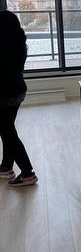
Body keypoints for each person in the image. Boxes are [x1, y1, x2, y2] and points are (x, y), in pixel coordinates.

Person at [0, 10, 38, 186]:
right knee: (8, 130)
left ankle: (27, 173)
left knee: (8, 134)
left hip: (3, 94)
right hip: (18, 92)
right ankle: (6, 167)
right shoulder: (18, 42)